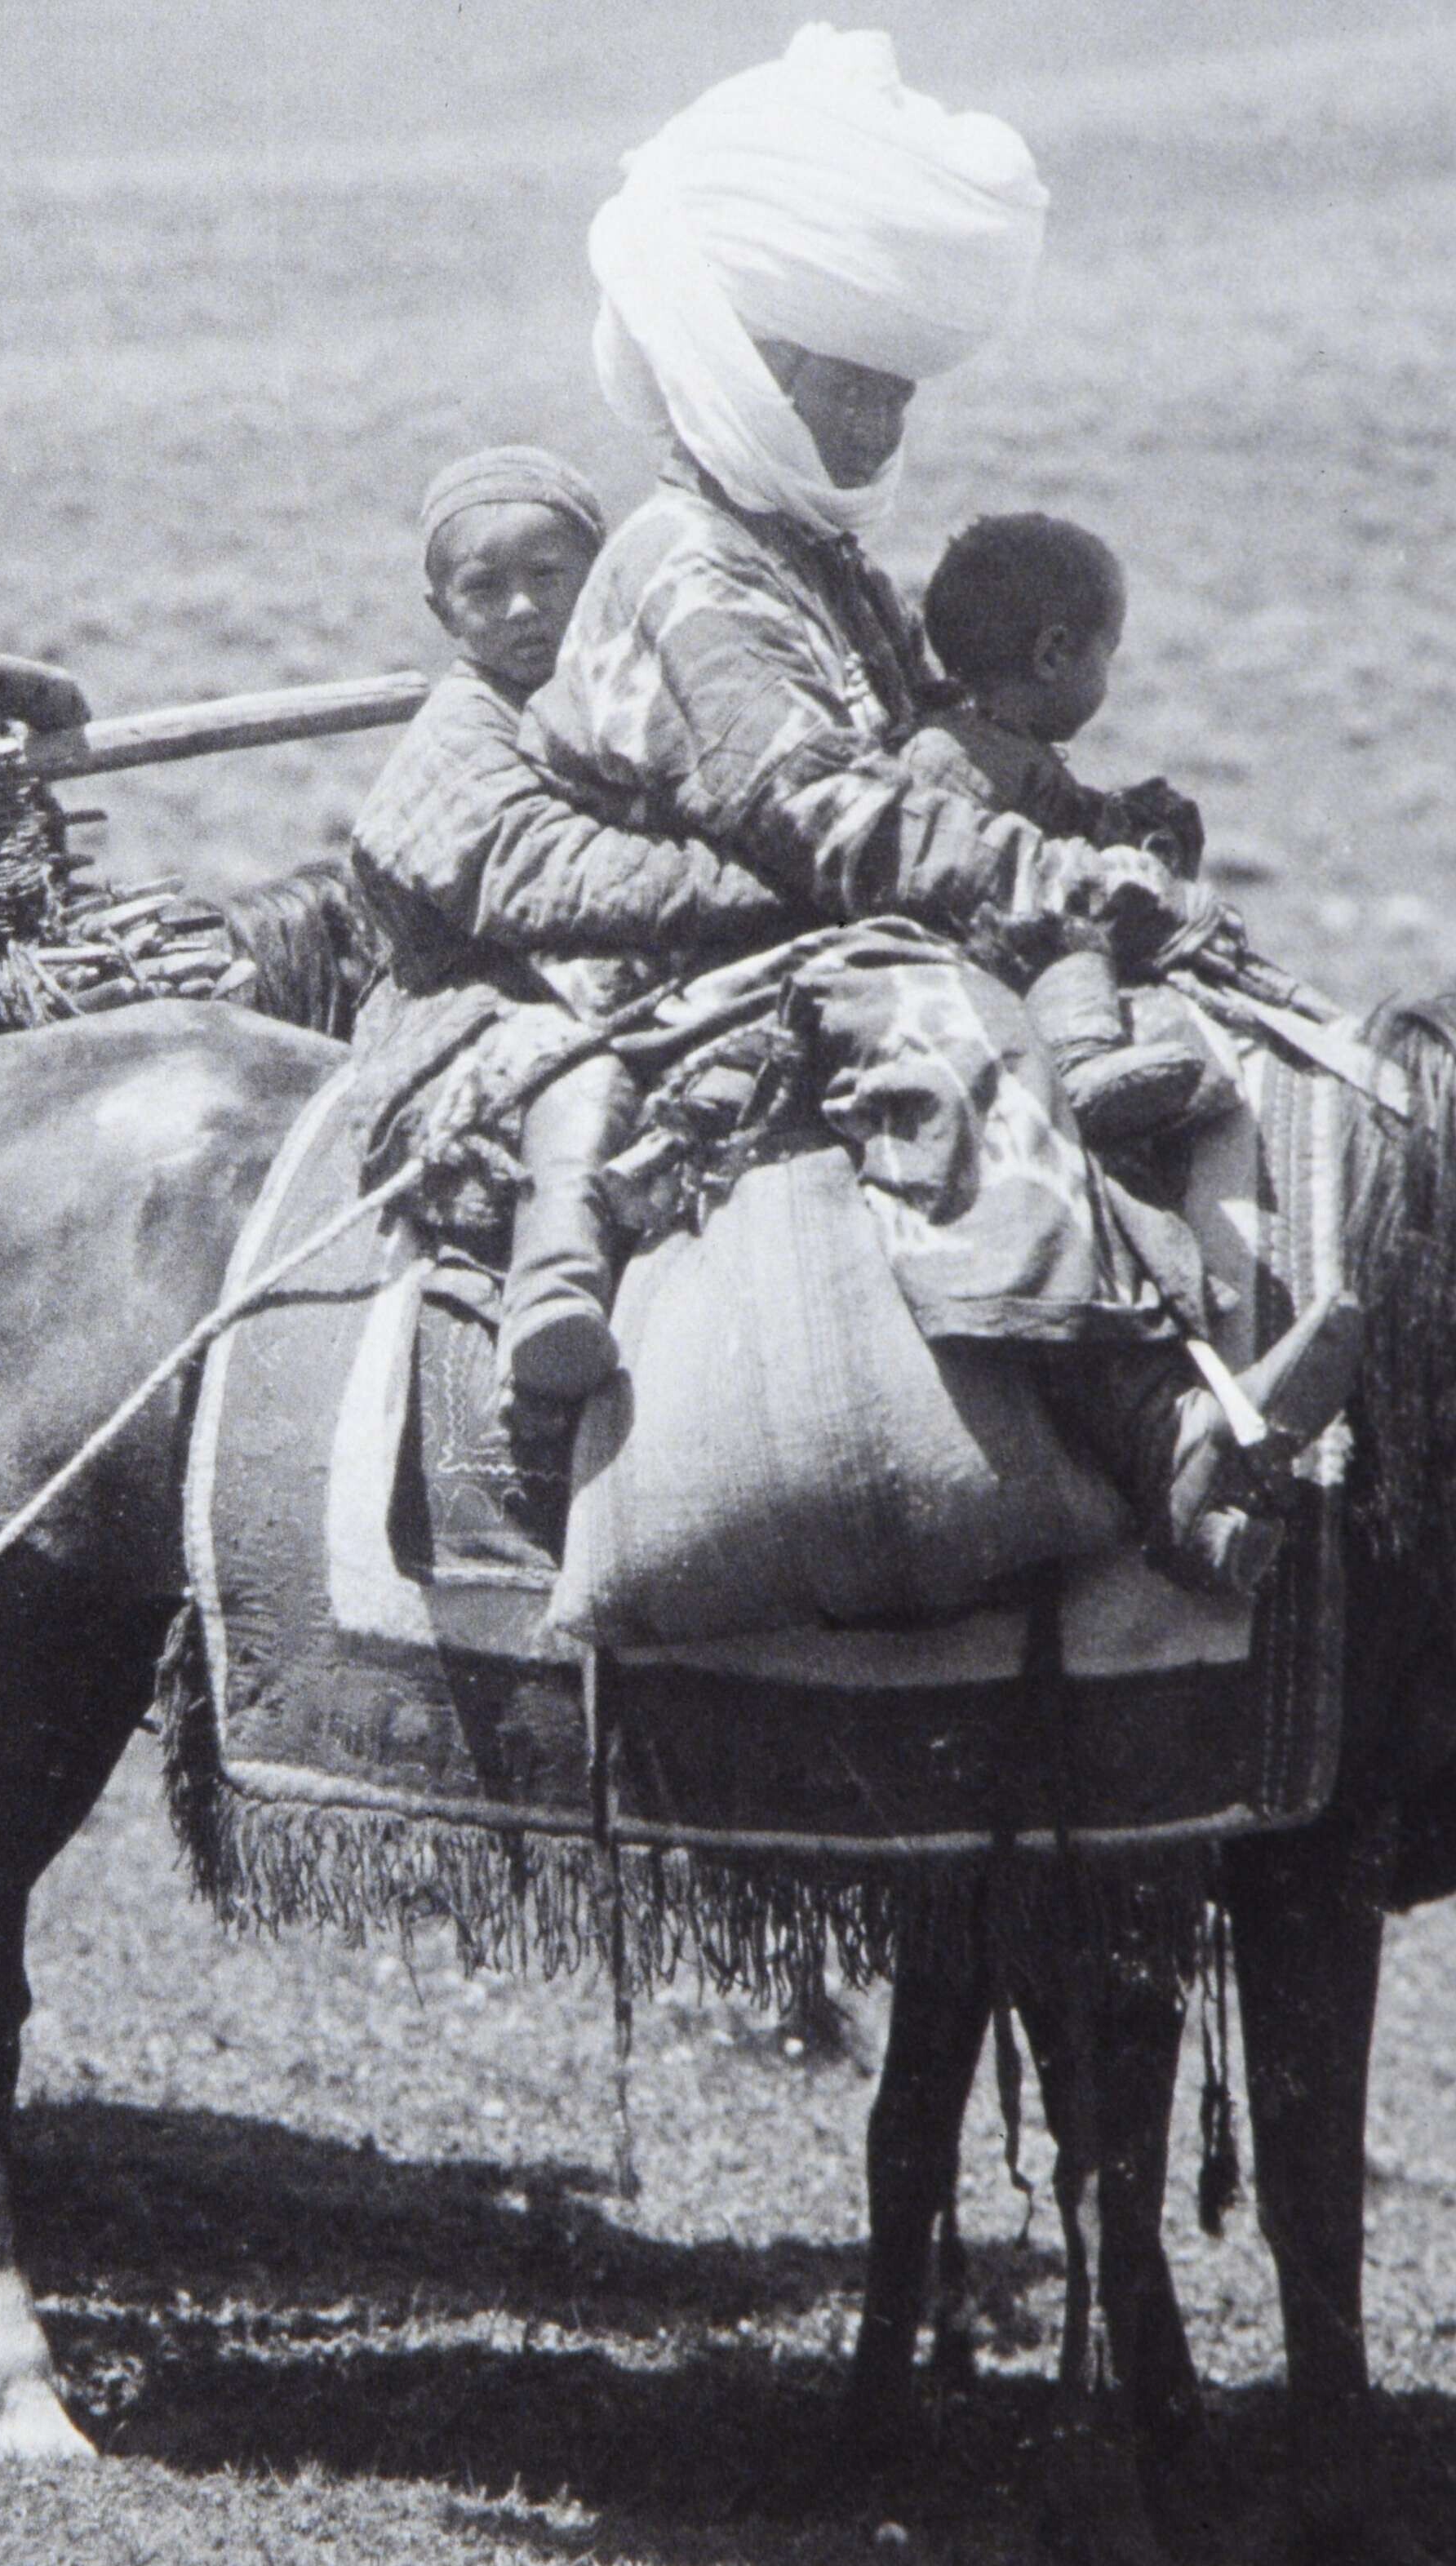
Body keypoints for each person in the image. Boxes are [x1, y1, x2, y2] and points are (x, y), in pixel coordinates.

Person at [510, 24, 1360, 1591]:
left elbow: (929, 749)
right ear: (753, 369)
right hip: (690, 961)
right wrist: (1055, 879)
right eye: (853, 393)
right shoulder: (690, 570)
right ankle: (1153, 1422)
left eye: (895, 399)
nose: (879, 433)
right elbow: (820, 810)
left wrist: (1095, 838)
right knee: (964, 1039)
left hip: (821, 923)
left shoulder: (812, 559)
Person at [344, 444, 792, 1420]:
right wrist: (768, 881)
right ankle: (552, 1296)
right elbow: (547, 872)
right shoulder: (458, 731)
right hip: (478, 1005)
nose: (521, 609)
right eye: (484, 588)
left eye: (549, 577)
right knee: (569, 1067)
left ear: (600, 573)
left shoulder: (627, 690)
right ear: (441, 612)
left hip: (635, 970)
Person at [901, 509, 1228, 1161]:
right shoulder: (949, 760)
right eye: (1108, 653)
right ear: (1053, 655)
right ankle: (1081, 1060)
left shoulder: (1007, 750)